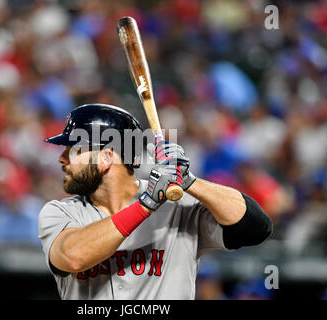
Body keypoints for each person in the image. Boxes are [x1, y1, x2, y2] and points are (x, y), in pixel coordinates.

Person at [38, 103, 272, 300]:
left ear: (106, 157)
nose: (61, 158)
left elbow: (256, 227)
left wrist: (190, 181)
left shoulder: (177, 206)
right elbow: (72, 257)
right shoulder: (61, 212)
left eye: (73, 150)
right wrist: (145, 205)